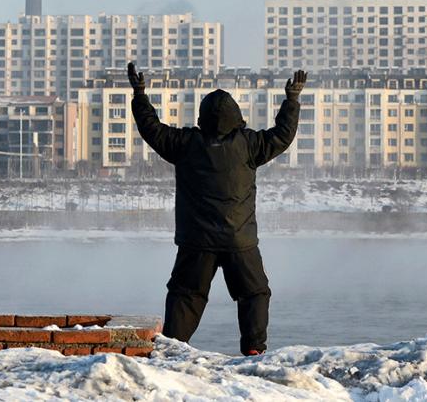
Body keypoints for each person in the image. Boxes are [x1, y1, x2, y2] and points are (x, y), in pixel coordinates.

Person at [127, 61, 306, 356]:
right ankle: (253, 349)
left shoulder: (186, 144)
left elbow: (152, 129)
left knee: (186, 295)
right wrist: (292, 100)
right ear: (237, 116)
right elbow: (282, 135)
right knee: (254, 293)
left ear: (202, 117)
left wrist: (140, 95)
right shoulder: (249, 145)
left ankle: (172, 350)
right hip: (240, 240)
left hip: (197, 241)